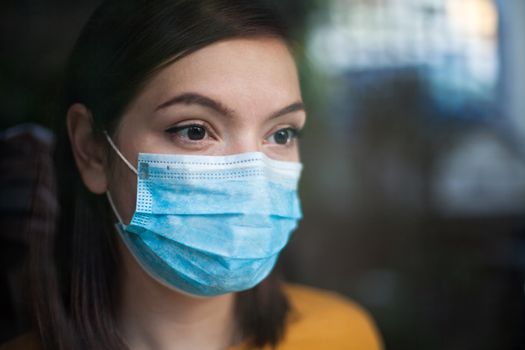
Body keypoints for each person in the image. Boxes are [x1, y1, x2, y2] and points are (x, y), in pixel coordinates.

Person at [0, 0, 383, 349]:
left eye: (281, 134)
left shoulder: (343, 335)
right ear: (92, 150)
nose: (252, 179)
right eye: (194, 130)